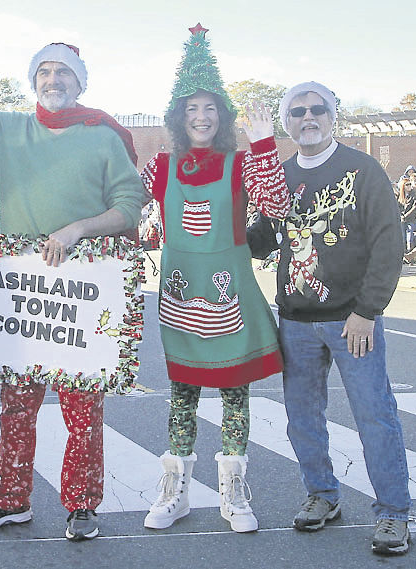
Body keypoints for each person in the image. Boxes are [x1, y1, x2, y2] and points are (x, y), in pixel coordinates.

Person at [0, 6, 145, 541]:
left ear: (79, 82)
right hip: (20, 294)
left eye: (62, 72)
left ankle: (82, 504)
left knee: (82, 411)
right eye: (44, 72)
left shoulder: (103, 136)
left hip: (83, 295)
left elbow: (130, 205)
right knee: (16, 406)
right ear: (33, 82)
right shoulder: (8, 130)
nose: (53, 80)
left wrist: (76, 230)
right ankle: (10, 499)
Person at [137, 24, 288, 534]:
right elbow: (124, 210)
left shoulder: (243, 163)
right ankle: (175, 490)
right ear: (178, 117)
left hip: (230, 289)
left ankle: (233, 491)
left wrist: (265, 143)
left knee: (234, 390)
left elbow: (276, 206)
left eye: (209, 108)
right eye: (190, 109)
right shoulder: (160, 166)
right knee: (182, 391)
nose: (200, 117)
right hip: (180, 292)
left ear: (221, 116)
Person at [275, 81, 411, 555]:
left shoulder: (364, 169)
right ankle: (322, 494)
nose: (307, 118)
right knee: (302, 418)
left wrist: (367, 311)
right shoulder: (279, 175)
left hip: (352, 320)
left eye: (317, 109)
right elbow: (260, 237)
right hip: (295, 319)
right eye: (297, 111)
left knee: (374, 415)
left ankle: (393, 513)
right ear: (285, 121)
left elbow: (389, 246)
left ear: (334, 117)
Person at [396, 171, 416, 250]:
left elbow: (414, 207)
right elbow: (397, 206)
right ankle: (403, 253)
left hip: (411, 219)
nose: (409, 186)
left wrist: (405, 216)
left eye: (410, 184)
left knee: (410, 238)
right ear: (403, 186)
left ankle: (411, 255)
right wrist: (400, 216)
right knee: (402, 237)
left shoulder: (414, 194)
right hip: (402, 220)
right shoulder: (400, 195)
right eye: (407, 184)